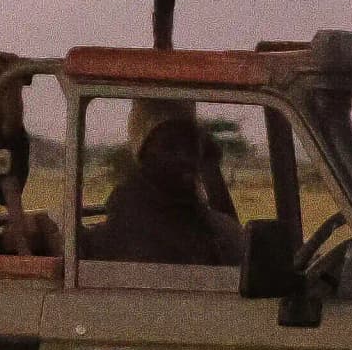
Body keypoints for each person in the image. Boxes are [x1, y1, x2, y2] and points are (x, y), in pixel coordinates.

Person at [86, 105, 248, 266]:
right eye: (170, 146)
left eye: (190, 146)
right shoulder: (133, 221)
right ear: (146, 154)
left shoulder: (206, 224)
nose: (184, 157)